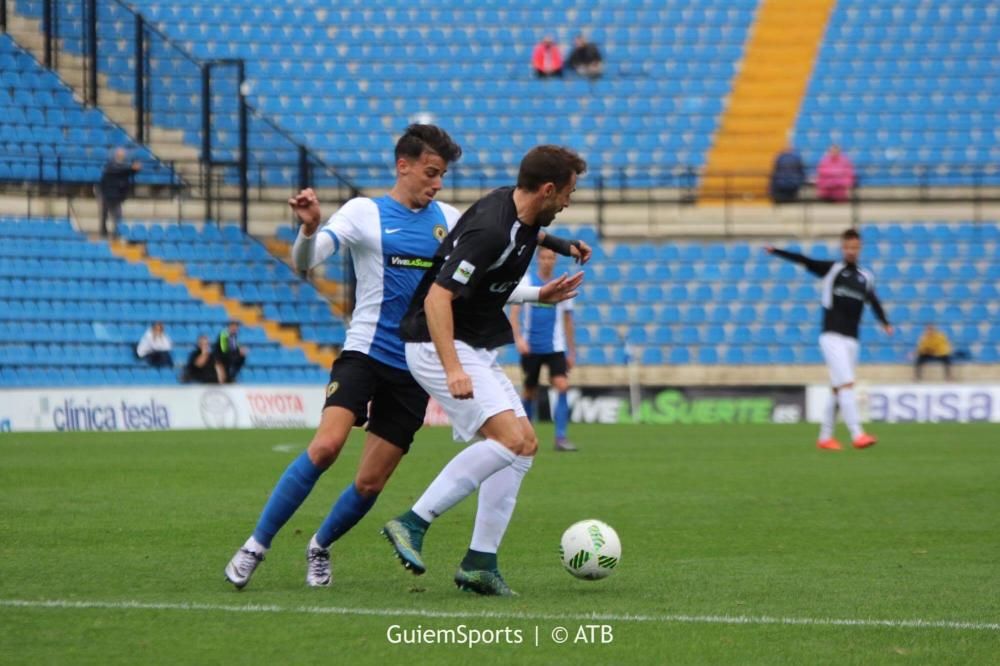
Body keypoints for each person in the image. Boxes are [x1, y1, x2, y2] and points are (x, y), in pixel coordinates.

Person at [223, 126, 587, 590]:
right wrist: (308, 230)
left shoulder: (449, 217)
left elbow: (494, 262)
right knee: (326, 447)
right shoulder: (364, 213)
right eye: (430, 173)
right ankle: (256, 545)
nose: (436, 183)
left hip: (414, 367)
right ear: (404, 165)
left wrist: (544, 279)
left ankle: (319, 545)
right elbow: (306, 261)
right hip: (368, 351)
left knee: (371, 483)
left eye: (442, 175)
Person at [382, 145, 588, 596]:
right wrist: (453, 370)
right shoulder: (490, 231)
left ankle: (480, 563)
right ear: (549, 189)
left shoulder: (516, 211)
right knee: (508, 439)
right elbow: (438, 299)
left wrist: (561, 248)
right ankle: (412, 522)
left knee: (526, 444)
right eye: (569, 193)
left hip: (470, 344)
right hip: (438, 344)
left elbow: (528, 233)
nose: (570, 202)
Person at [765, 229, 892, 451]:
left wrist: (885, 322)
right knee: (847, 385)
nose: (851, 251)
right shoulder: (833, 270)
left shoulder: (866, 276)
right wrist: (777, 251)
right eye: (848, 247)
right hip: (832, 336)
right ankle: (857, 434)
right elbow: (805, 260)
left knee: (838, 389)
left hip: (852, 340)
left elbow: (874, 301)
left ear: (859, 248)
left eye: (855, 247)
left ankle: (825, 437)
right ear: (842, 248)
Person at [510, 247, 578, 451]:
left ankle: (560, 437)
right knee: (530, 391)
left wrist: (571, 351)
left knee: (562, 385)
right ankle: (525, 437)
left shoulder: (562, 287)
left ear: (555, 261)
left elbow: (568, 321)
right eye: (544, 257)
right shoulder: (527, 282)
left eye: (551, 258)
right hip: (531, 347)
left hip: (555, 346)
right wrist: (518, 338)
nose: (547, 261)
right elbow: (514, 313)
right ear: (538, 259)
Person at [97, 147, 141, 236]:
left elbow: (127, 172)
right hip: (107, 193)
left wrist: (134, 169)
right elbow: (119, 170)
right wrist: (132, 169)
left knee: (117, 216)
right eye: (120, 155)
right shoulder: (111, 165)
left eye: (123, 155)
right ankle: (104, 232)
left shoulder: (123, 166)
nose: (122, 156)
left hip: (117, 195)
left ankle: (115, 233)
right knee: (105, 214)